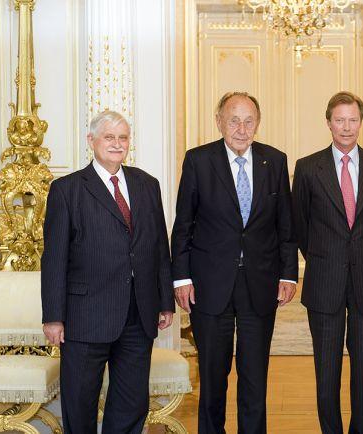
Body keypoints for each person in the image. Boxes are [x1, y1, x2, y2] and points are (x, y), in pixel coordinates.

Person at [171, 91, 298, 433]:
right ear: (219, 122)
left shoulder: (275, 160)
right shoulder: (199, 160)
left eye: (249, 121)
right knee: (213, 375)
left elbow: (285, 226)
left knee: (254, 375)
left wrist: (289, 274)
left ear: (258, 122)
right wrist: (181, 278)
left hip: (261, 282)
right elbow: (183, 224)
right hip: (210, 284)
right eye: (234, 120)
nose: (242, 129)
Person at [41, 110, 175, 433]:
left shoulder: (147, 184)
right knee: (79, 402)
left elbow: (158, 246)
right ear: (92, 141)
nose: (117, 144)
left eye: (123, 137)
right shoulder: (67, 190)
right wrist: (53, 316)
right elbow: (54, 258)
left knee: (131, 403)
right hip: (84, 317)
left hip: (138, 314)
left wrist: (165, 300)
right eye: (109, 137)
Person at [292, 91, 363, 434]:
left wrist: (359, 255)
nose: (346, 127)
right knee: (327, 371)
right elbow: (300, 225)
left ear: (361, 122)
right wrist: (325, 258)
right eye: (339, 120)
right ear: (328, 123)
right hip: (324, 281)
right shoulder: (307, 168)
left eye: (352, 120)